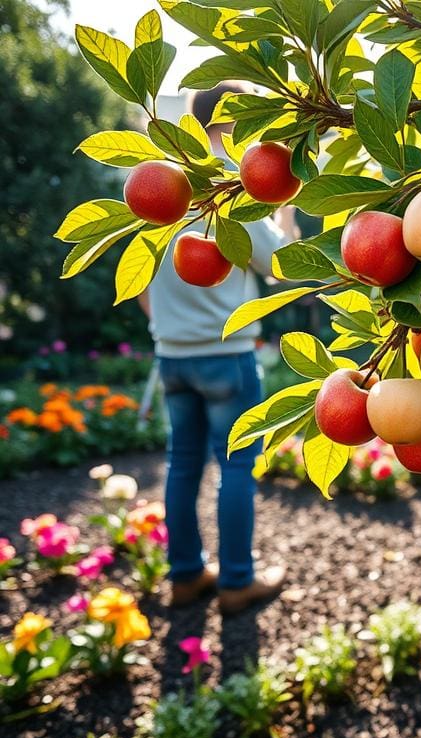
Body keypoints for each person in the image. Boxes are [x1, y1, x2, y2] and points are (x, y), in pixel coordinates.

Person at [138, 82, 300, 614]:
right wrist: (287, 215)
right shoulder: (232, 189)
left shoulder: (161, 188)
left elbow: (138, 280)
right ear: (236, 120)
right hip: (226, 356)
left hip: (173, 357)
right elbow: (282, 264)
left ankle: (185, 577)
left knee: (181, 465)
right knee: (235, 467)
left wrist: (166, 326)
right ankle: (236, 582)